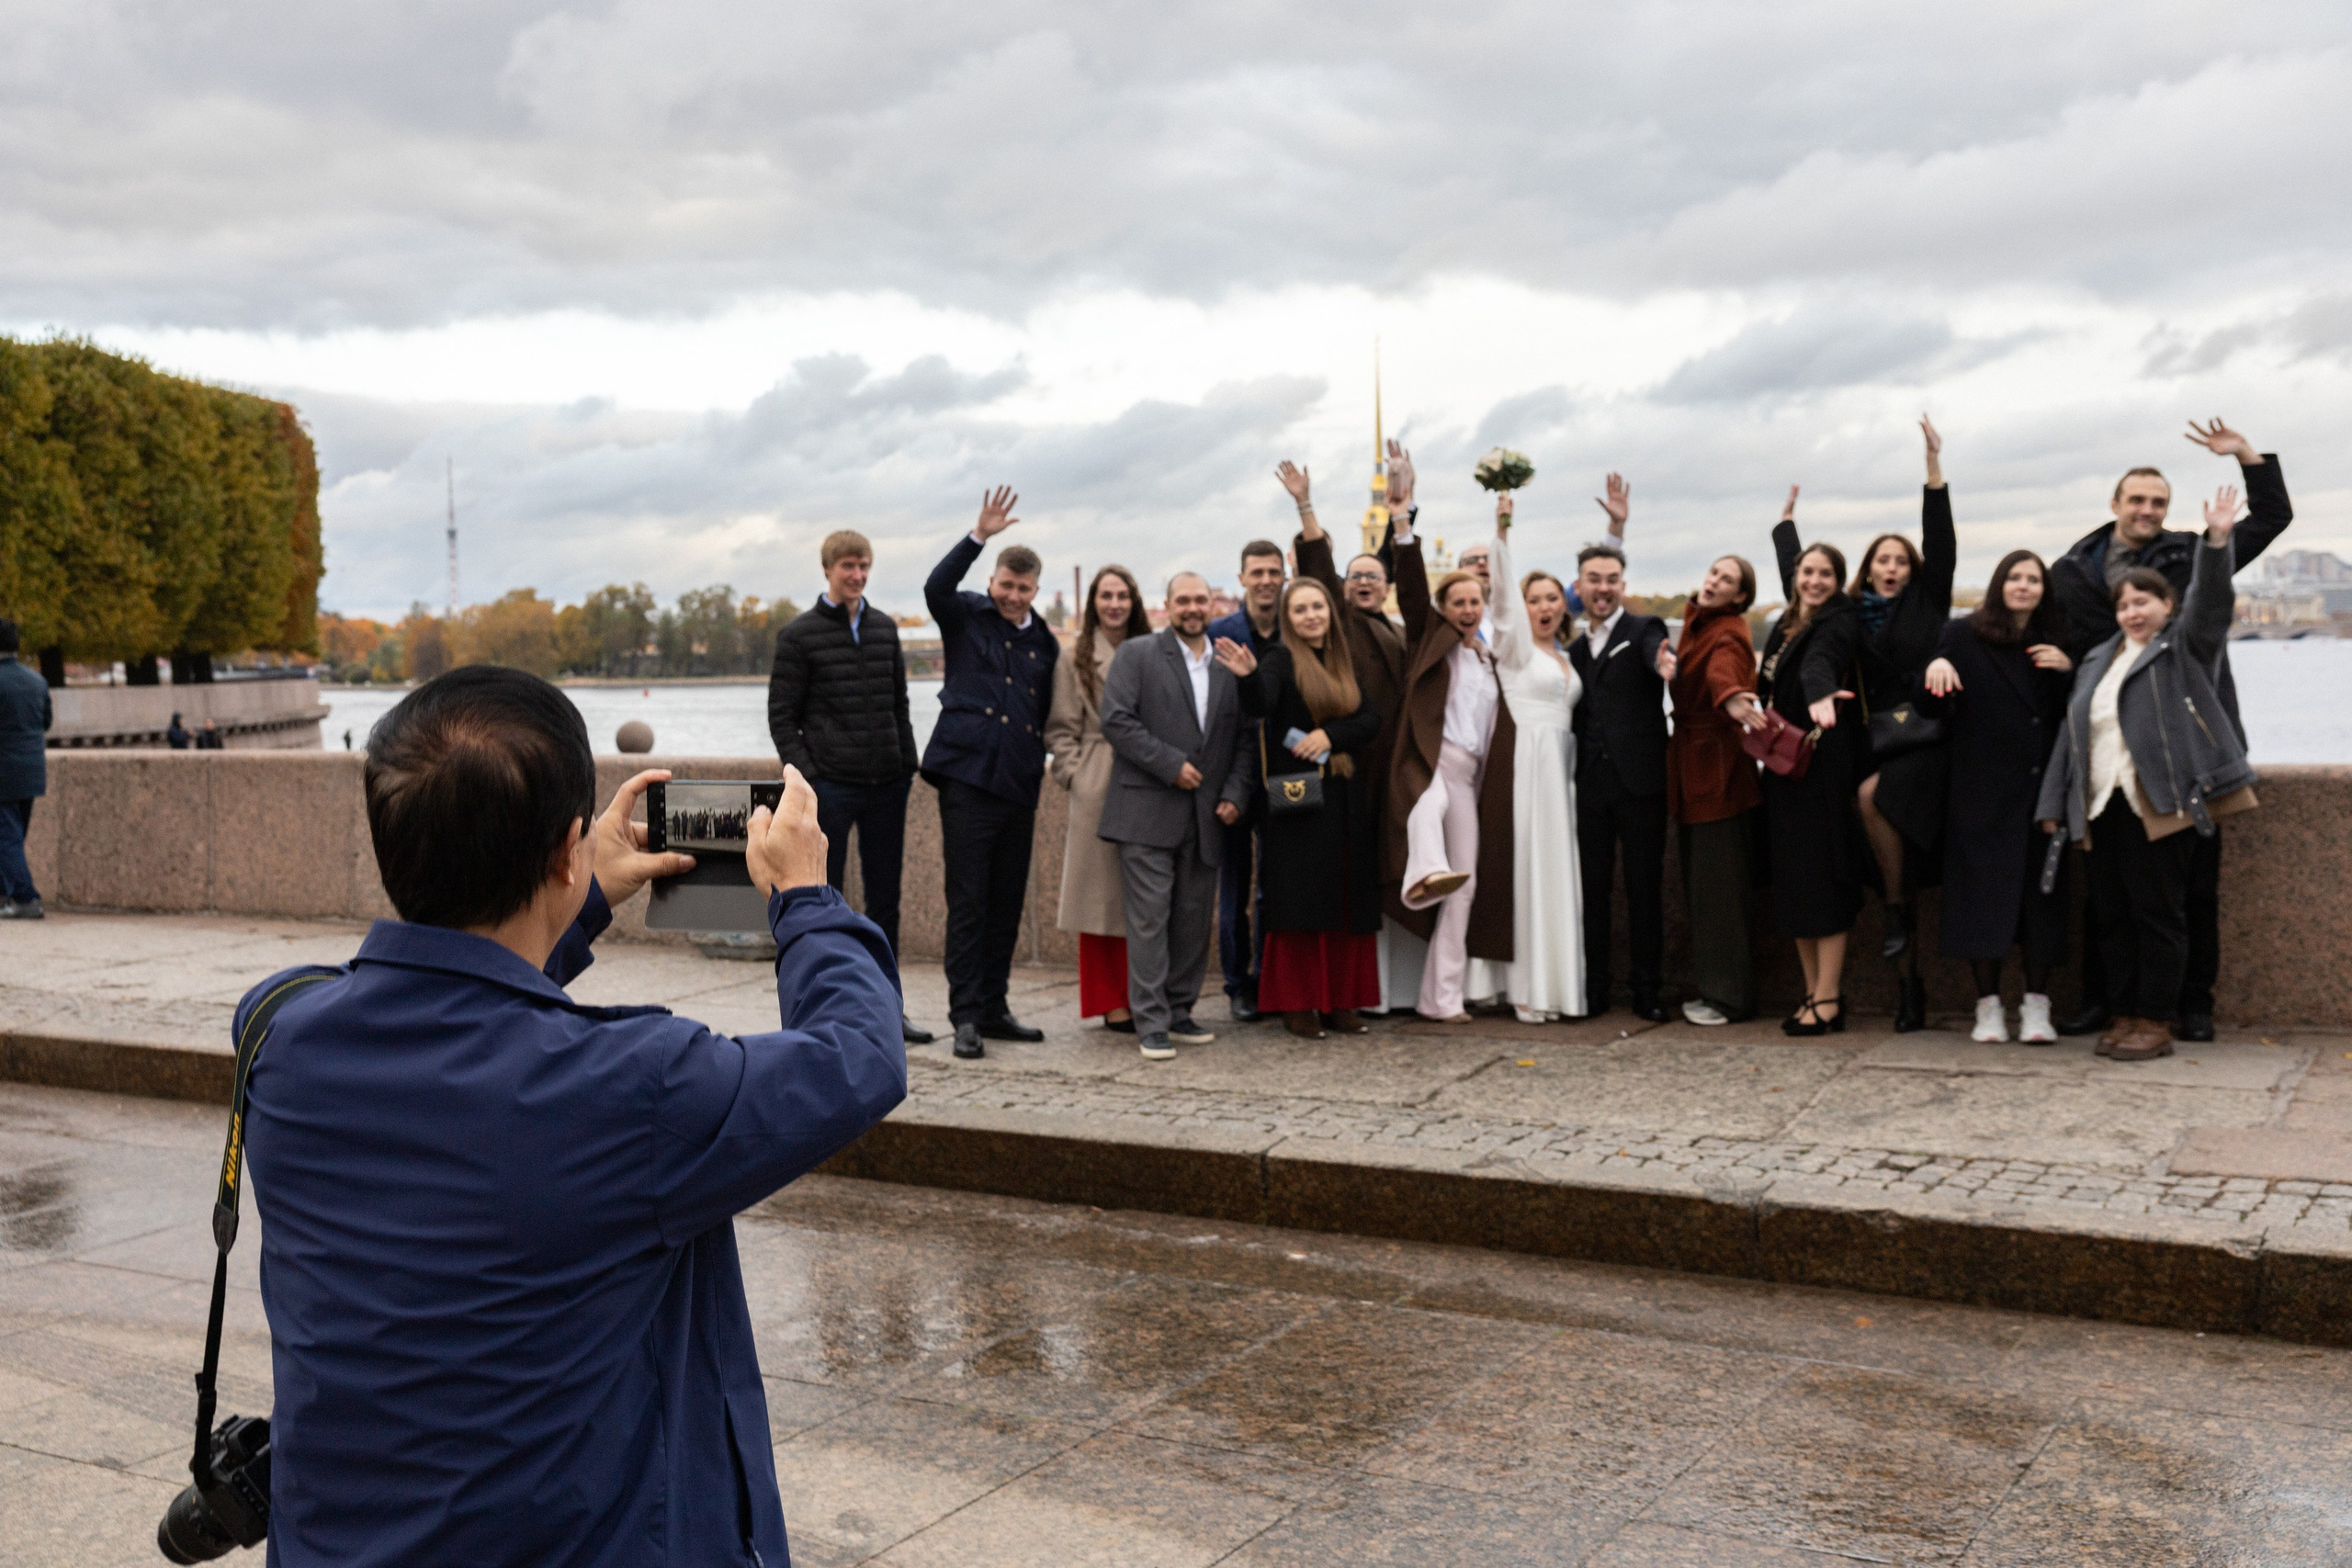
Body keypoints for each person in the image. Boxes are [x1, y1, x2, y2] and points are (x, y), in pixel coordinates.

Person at [237, 665, 906, 1567]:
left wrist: (574, 903)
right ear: (566, 849)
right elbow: (858, 1058)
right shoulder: (636, 1088)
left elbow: (460, 1024)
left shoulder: (278, 1034)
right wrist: (806, 898)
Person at [2047, 419, 2291, 1043]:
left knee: (2191, 890)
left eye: (2158, 501)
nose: (2148, 510)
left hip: (2185, 751)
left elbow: (2265, 525)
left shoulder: (2189, 554)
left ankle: (2189, 1004)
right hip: (2108, 756)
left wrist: (2246, 457)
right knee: (2109, 901)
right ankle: (2109, 1003)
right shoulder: (2070, 570)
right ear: (2115, 503)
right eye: (2138, 499)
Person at [770, 526, 931, 1044]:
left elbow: (900, 704)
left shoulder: (884, 629)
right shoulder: (799, 636)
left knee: (886, 902)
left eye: (864, 566)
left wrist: (906, 764)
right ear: (828, 569)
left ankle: (889, 1011)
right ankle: (822, 1013)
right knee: (820, 900)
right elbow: (782, 718)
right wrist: (810, 779)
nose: (857, 575)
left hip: (887, 784)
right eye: (848, 566)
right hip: (831, 788)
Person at [920, 487, 1059, 1060]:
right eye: (1006, 584)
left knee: (1006, 903)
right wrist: (978, 536)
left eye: (1023, 589)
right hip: (967, 780)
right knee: (969, 902)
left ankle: (996, 1007)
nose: (1012, 595)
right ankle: (966, 1016)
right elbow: (935, 587)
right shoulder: (965, 615)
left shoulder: (1044, 642)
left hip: (1019, 785)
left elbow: (1047, 711)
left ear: (1035, 591)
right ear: (994, 580)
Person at [1917, 551, 2075, 1043]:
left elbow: (2075, 714)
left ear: (2044, 590)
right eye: (2015, 577)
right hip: (1980, 792)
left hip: (2041, 794)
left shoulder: (2057, 639)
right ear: (1998, 584)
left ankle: (2037, 1007)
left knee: (2041, 905)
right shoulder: (1962, 635)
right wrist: (1935, 666)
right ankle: (1987, 1007)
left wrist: (2068, 669)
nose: (2024, 586)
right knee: (1979, 903)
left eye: (2033, 579)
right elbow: (1928, 706)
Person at [1215, 577, 1384, 1036]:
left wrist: (1331, 735)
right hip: (1300, 800)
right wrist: (1248, 677)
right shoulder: (1279, 658)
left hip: (1343, 798)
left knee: (1343, 901)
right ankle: (1298, 1004)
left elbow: (1370, 719)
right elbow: (1262, 703)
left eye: (1318, 607)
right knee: (1301, 905)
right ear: (1288, 619)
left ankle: (1341, 1001)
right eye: (1300, 610)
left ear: (1330, 612)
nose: (1311, 616)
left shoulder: (1343, 660)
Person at [1097, 573, 1252, 1059]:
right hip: (1146, 810)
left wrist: (1235, 793)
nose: (1192, 608)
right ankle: (1151, 1021)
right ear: (1167, 606)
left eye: (1200, 600)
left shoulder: (1229, 663)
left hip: (1207, 815)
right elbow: (1116, 720)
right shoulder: (1138, 654)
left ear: (1212, 606)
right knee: (1149, 921)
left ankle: (1181, 1009)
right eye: (1182, 600)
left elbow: (1245, 737)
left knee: (1191, 921)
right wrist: (1170, 765)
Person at [1277, 456, 1412, 1009]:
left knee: (1368, 880)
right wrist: (1305, 505)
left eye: (1373, 576)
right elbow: (1317, 564)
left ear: (1387, 586)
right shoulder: (1341, 622)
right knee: (1322, 883)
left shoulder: (1398, 631)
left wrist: (1402, 514)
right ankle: (1317, 996)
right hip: (1338, 773)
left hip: (1386, 766)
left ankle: (1373, 989)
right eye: (1353, 577)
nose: (1363, 583)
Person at [1847, 418, 1957, 1032]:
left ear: (1912, 570)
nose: (1891, 568)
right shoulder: (1849, 616)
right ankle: (1907, 991)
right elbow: (1798, 587)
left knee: (1874, 799)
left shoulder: (1928, 601)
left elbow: (1941, 542)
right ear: (1868, 569)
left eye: (1900, 561)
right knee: (1898, 869)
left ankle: (1893, 911)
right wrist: (1786, 528)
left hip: (1925, 742)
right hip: (1874, 742)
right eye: (1881, 561)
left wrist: (1933, 468)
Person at [1388, 506, 1516, 1022]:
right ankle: (1424, 873)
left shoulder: (1488, 660)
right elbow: (1411, 593)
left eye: (1474, 601)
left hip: (1469, 775)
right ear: (1443, 609)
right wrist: (1402, 527)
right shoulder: (1433, 646)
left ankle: (1440, 999)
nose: (1467, 609)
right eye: (1457, 602)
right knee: (1428, 804)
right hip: (1429, 760)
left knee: (1466, 887)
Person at [1464, 499, 1587, 1021]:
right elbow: (1500, 604)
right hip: (1523, 772)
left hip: (1560, 774)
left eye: (1552, 598)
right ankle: (1519, 987)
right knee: (1522, 871)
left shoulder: (1568, 657)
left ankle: (1553, 985)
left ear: (1564, 605)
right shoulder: (1513, 648)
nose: (1543, 606)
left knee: (1555, 875)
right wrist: (1502, 534)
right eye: (1533, 599)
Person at [1761, 489, 1867, 1034]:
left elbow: (1819, 663)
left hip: (1821, 768)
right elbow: (1792, 570)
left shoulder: (1838, 621)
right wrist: (1786, 527)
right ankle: (1811, 993)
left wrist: (1821, 693)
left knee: (1823, 880)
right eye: (1808, 572)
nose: (1814, 581)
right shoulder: (1789, 620)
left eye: (1827, 574)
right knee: (1795, 887)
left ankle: (1829, 997)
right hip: (1785, 768)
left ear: (1839, 582)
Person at [1567, 494, 1674, 1021]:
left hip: (1640, 784)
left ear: (1622, 586)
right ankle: (1595, 990)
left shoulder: (1644, 629)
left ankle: (1648, 991)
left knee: (1644, 890)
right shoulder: (1571, 648)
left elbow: (1658, 654)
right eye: (1594, 579)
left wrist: (1665, 664)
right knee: (1592, 892)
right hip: (1589, 786)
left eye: (1611, 579)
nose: (1603, 588)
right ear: (1580, 585)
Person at [1044, 565, 1146, 1034]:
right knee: (1100, 897)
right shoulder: (1075, 656)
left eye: (1123, 595)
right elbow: (1060, 728)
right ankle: (1111, 1000)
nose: (1115, 604)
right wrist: (1077, 776)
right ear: (1093, 603)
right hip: (1100, 776)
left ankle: (1147, 993)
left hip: (1150, 775)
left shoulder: (1153, 649)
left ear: (1134, 601)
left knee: (1147, 895)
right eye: (1106, 596)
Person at [1667, 555, 1765, 1025]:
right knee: (1709, 886)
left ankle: (1728, 998)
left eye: (1726, 580)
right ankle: (1721, 992)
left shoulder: (1726, 632)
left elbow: (1723, 670)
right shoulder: (1700, 623)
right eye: (1713, 572)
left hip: (1716, 773)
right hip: (1700, 768)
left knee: (1718, 891)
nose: (1713, 581)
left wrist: (1730, 697)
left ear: (1739, 596)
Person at [1206, 537, 1287, 1021]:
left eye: (1273, 572)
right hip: (1234, 777)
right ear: (1242, 579)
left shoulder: (1296, 628)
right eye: (1257, 573)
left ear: (1284, 576)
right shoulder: (1220, 633)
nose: (1266, 581)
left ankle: (1272, 978)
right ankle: (1238, 984)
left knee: (1278, 886)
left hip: (1286, 772)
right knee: (1233, 887)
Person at [0, 618, 52, 921]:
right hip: (32, 772)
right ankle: (5, 894)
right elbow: (46, 722)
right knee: (12, 838)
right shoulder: (37, 681)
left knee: (6, 839)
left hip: (3, 773)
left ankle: (25, 898)